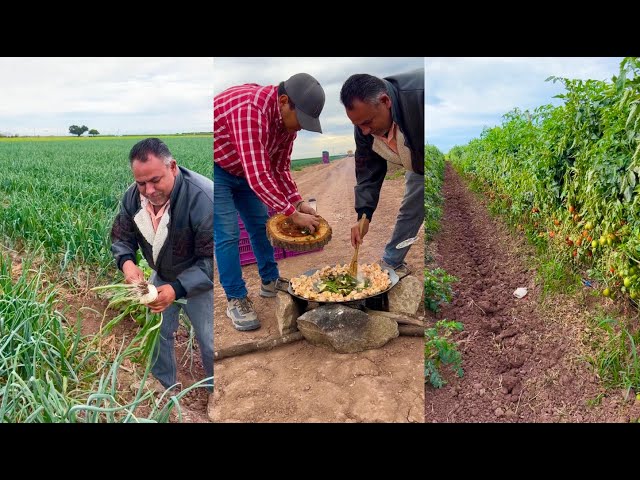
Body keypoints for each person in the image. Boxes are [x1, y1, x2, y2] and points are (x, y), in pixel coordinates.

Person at [214, 73, 325, 331]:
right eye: (300, 120)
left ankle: (270, 281)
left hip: (245, 171)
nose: (299, 128)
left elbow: (280, 169)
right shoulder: (250, 110)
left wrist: (298, 203)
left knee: (260, 224)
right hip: (219, 167)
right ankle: (236, 297)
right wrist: (292, 214)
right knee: (228, 233)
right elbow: (260, 175)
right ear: (284, 101)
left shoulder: (287, 125)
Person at [110, 137, 214, 412]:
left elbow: (211, 260)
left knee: (209, 339)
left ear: (173, 167)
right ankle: (164, 384)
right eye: (141, 183)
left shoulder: (203, 199)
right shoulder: (134, 196)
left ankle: (218, 390)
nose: (149, 190)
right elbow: (121, 237)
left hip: (200, 280)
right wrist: (128, 265)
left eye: (155, 180)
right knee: (157, 332)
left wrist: (176, 290)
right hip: (162, 274)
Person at [339, 69, 424, 275]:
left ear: (386, 101)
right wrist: (364, 215)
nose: (365, 131)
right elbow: (368, 171)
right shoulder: (364, 125)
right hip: (416, 160)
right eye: (358, 125)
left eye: (367, 123)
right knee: (411, 207)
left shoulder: (420, 98)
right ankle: (392, 261)